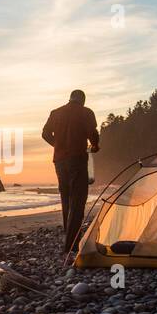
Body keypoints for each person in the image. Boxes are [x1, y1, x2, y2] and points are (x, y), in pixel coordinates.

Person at [42, 89, 100, 255]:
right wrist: (95, 146)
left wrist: (57, 145)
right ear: (82, 100)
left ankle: (70, 238)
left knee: (66, 198)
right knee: (78, 199)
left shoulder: (56, 112)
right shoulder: (86, 112)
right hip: (77, 159)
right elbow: (92, 133)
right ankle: (72, 244)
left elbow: (45, 133)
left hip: (59, 161)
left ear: (70, 98)